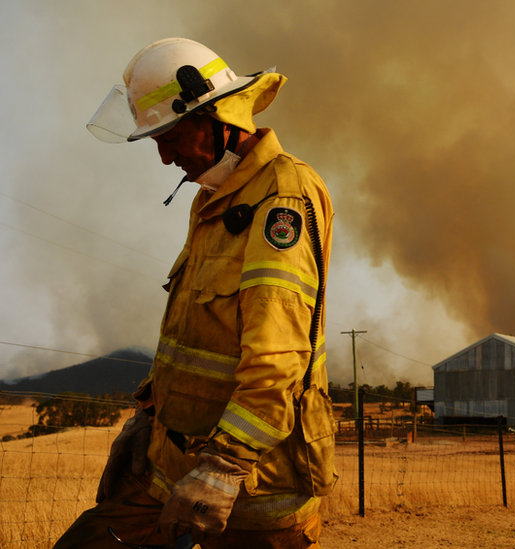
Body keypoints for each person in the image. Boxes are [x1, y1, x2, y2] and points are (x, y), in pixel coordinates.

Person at [56, 38, 337, 549]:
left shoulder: (283, 197)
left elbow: (278, 359)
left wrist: (223, 467)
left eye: (171, 136)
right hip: (173, 469)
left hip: (254, 489)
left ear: (219, 117)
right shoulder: (214, 197)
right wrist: (148, 415)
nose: (165, 158)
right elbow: (195, 336)